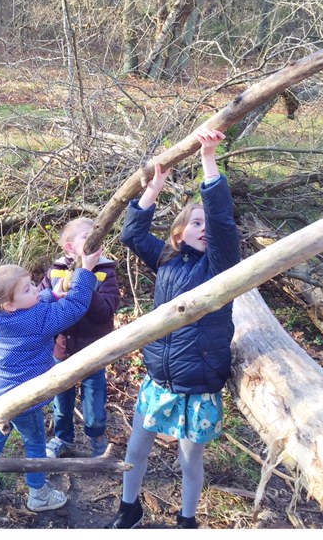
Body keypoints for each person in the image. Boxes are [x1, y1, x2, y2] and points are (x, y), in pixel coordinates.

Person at [107, 128, 240, 529]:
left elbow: (222, 221)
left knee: (189, 459)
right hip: (159, 379)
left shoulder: (219, 267)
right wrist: (154, 188)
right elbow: (131, 234)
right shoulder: (167, 259)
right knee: (137, 446)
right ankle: (129, 508)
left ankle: (186, 520)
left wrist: (208, 159)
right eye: (194, 222)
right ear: (179, 233)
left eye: (206, 224)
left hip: (197, 384)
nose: (204, 227)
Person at [0, 247, 102, 512]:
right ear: (10, 304)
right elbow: (73, 308)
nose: (35, 290)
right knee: (35, 443)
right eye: (27, 289)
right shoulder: (36, 319)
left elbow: (34, 309)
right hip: (24, 398)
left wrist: (52, 293)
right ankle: (39, 495)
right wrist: (85, 271)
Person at [39, 217, 121, 458]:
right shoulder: (55, 270)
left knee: (94, 402)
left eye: (97, 235)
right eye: (86, 237)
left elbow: (106, 310)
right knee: (61, 401)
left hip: (92, 350)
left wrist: (84, 282)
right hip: (61, 349)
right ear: (70, 248)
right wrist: (56, 293)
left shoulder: (106, 271)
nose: (95, 240)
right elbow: (42, 300)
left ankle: (96, 437)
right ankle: (62, 437)